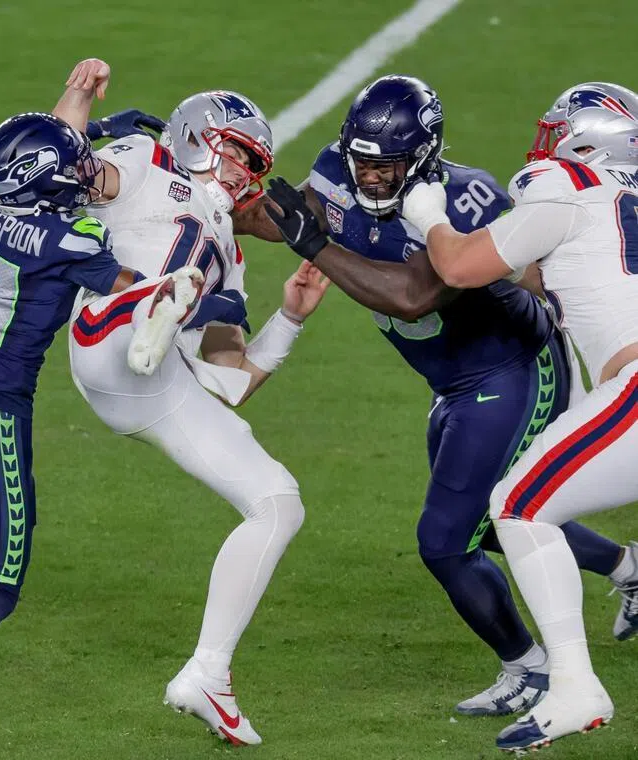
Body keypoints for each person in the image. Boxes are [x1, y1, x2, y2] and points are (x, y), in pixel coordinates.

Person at [248, 74, 637, 717]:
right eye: (362, 161)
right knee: (492, 522)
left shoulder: (468, 196)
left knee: (448, 538)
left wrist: (313, 245)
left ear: (423, 155)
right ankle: (629, 569)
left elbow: (415, 294)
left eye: (387, 164)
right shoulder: (335, 169)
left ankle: (532, 670)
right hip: (453, 381)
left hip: (513, 369)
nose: (370, 177)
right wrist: (214, 211)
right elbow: (295, 218)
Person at [0, 107, 194, 755]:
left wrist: (91, 125)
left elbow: (20, 162)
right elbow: (131, 290)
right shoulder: (71, 241)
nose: (82, 173)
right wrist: (182, 286)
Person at [56, 58, 329, 746]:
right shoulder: (146, 159)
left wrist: (289, 321)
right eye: (236, 154)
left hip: (158, 385)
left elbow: (231, 380)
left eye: (252, 164)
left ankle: (208, 673)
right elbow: (62, 166)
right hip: (103, 339)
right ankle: (154, 304)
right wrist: (77, 99)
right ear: (195, 136)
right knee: (153, 289)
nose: (244, 174)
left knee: (278, 501)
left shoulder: (229, 252)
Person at [398, 81, 638, 751]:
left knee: (517, 507)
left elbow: (462, 265)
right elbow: (558, 276)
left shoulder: (565, 180)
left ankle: (574, 687)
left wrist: (425, 212)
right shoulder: (618, 199)